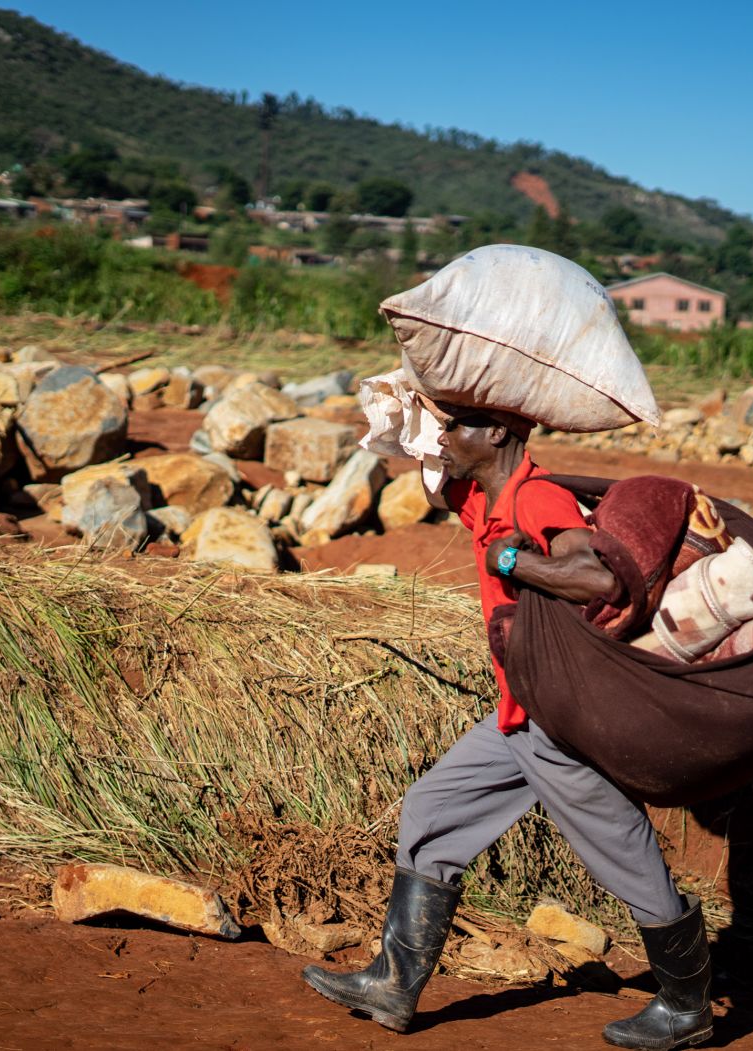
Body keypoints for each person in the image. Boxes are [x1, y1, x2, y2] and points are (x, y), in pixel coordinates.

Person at [302, 407, 714, 1050]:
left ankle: (686, 1006)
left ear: (497, 433)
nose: (445, 436)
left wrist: (513, 560)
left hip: (556, 723)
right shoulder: (490, 497)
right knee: (432, 810)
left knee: (625, 856)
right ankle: (394, 982)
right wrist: (412, 413)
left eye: (459, 423)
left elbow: (593, 577)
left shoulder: (536, 497)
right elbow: (440, 483)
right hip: (518, 716)